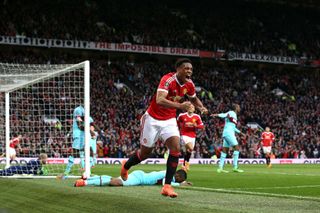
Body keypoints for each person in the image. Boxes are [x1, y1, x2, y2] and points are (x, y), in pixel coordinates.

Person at [120, 58, 208, 198]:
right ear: (178, 69)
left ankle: (167, 186)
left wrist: (201, 107)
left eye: (191, 69)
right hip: (152, 119)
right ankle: (126, 166)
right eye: (186, 68)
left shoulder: (189, 84)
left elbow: (193, 98)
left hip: (169, 120)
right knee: (144, 154)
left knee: (176, 149)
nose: (189, 71)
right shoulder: (167, 80)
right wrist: (180, 106)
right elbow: (160, 100)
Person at [211, 104, 244, 173]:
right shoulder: (231, 112)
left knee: (225, 150)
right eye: (238, 107)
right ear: (235, 108)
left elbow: (233, 127)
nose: (239, 108)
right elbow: (224, 114)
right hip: (229, 133)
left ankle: (220, 168)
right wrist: (217, 115)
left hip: (227, 133)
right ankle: (235, 167)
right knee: (237, 147)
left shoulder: (234, 115)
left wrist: (240, 132)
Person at [64, 106, 95, 176]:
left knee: (89, 150)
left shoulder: (86, 113)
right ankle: (67, 171)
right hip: (78, 134)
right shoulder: (78, 110)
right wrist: (91, 132)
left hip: (84, 135)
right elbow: (80, 125)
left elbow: (92, 124)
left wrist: (98, 131)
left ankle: (88, 170)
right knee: (74, 152)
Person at [74, 169, 191, 187]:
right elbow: (165, 182)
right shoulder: (169, 174)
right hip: (140, 178)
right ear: (178, 176)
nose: (181, 181)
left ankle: (86, 179)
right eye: (181, 179)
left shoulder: (170, 174)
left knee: (113, 179)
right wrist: (180, 185)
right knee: (117, 182)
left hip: (140, 175)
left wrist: (179, 182)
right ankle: (84, 183)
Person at [177, 104, 204, 171]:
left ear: (194, 109)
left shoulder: (197, 116)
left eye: (192, 107)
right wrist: (178, 129)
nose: (190, 108)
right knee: (190, 148)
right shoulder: (182, 115)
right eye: (189, 107)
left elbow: (202, 126)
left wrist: (195, 126)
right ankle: (187, 163)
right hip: (184, 135)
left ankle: (184, 164)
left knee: (188, 151)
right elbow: (177, 121)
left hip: (192, 136)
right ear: (187, 108)